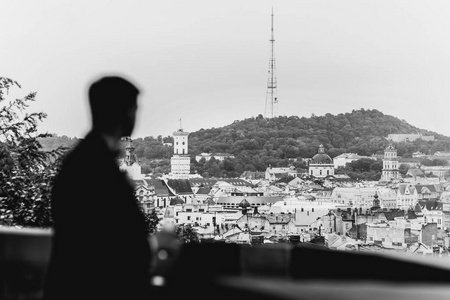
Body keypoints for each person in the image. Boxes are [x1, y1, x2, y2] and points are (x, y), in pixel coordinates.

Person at [44, 76, 151, 300]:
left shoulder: (81, 159)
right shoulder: (97, 166)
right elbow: (119, 239)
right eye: (134, 109)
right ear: (126, 114)